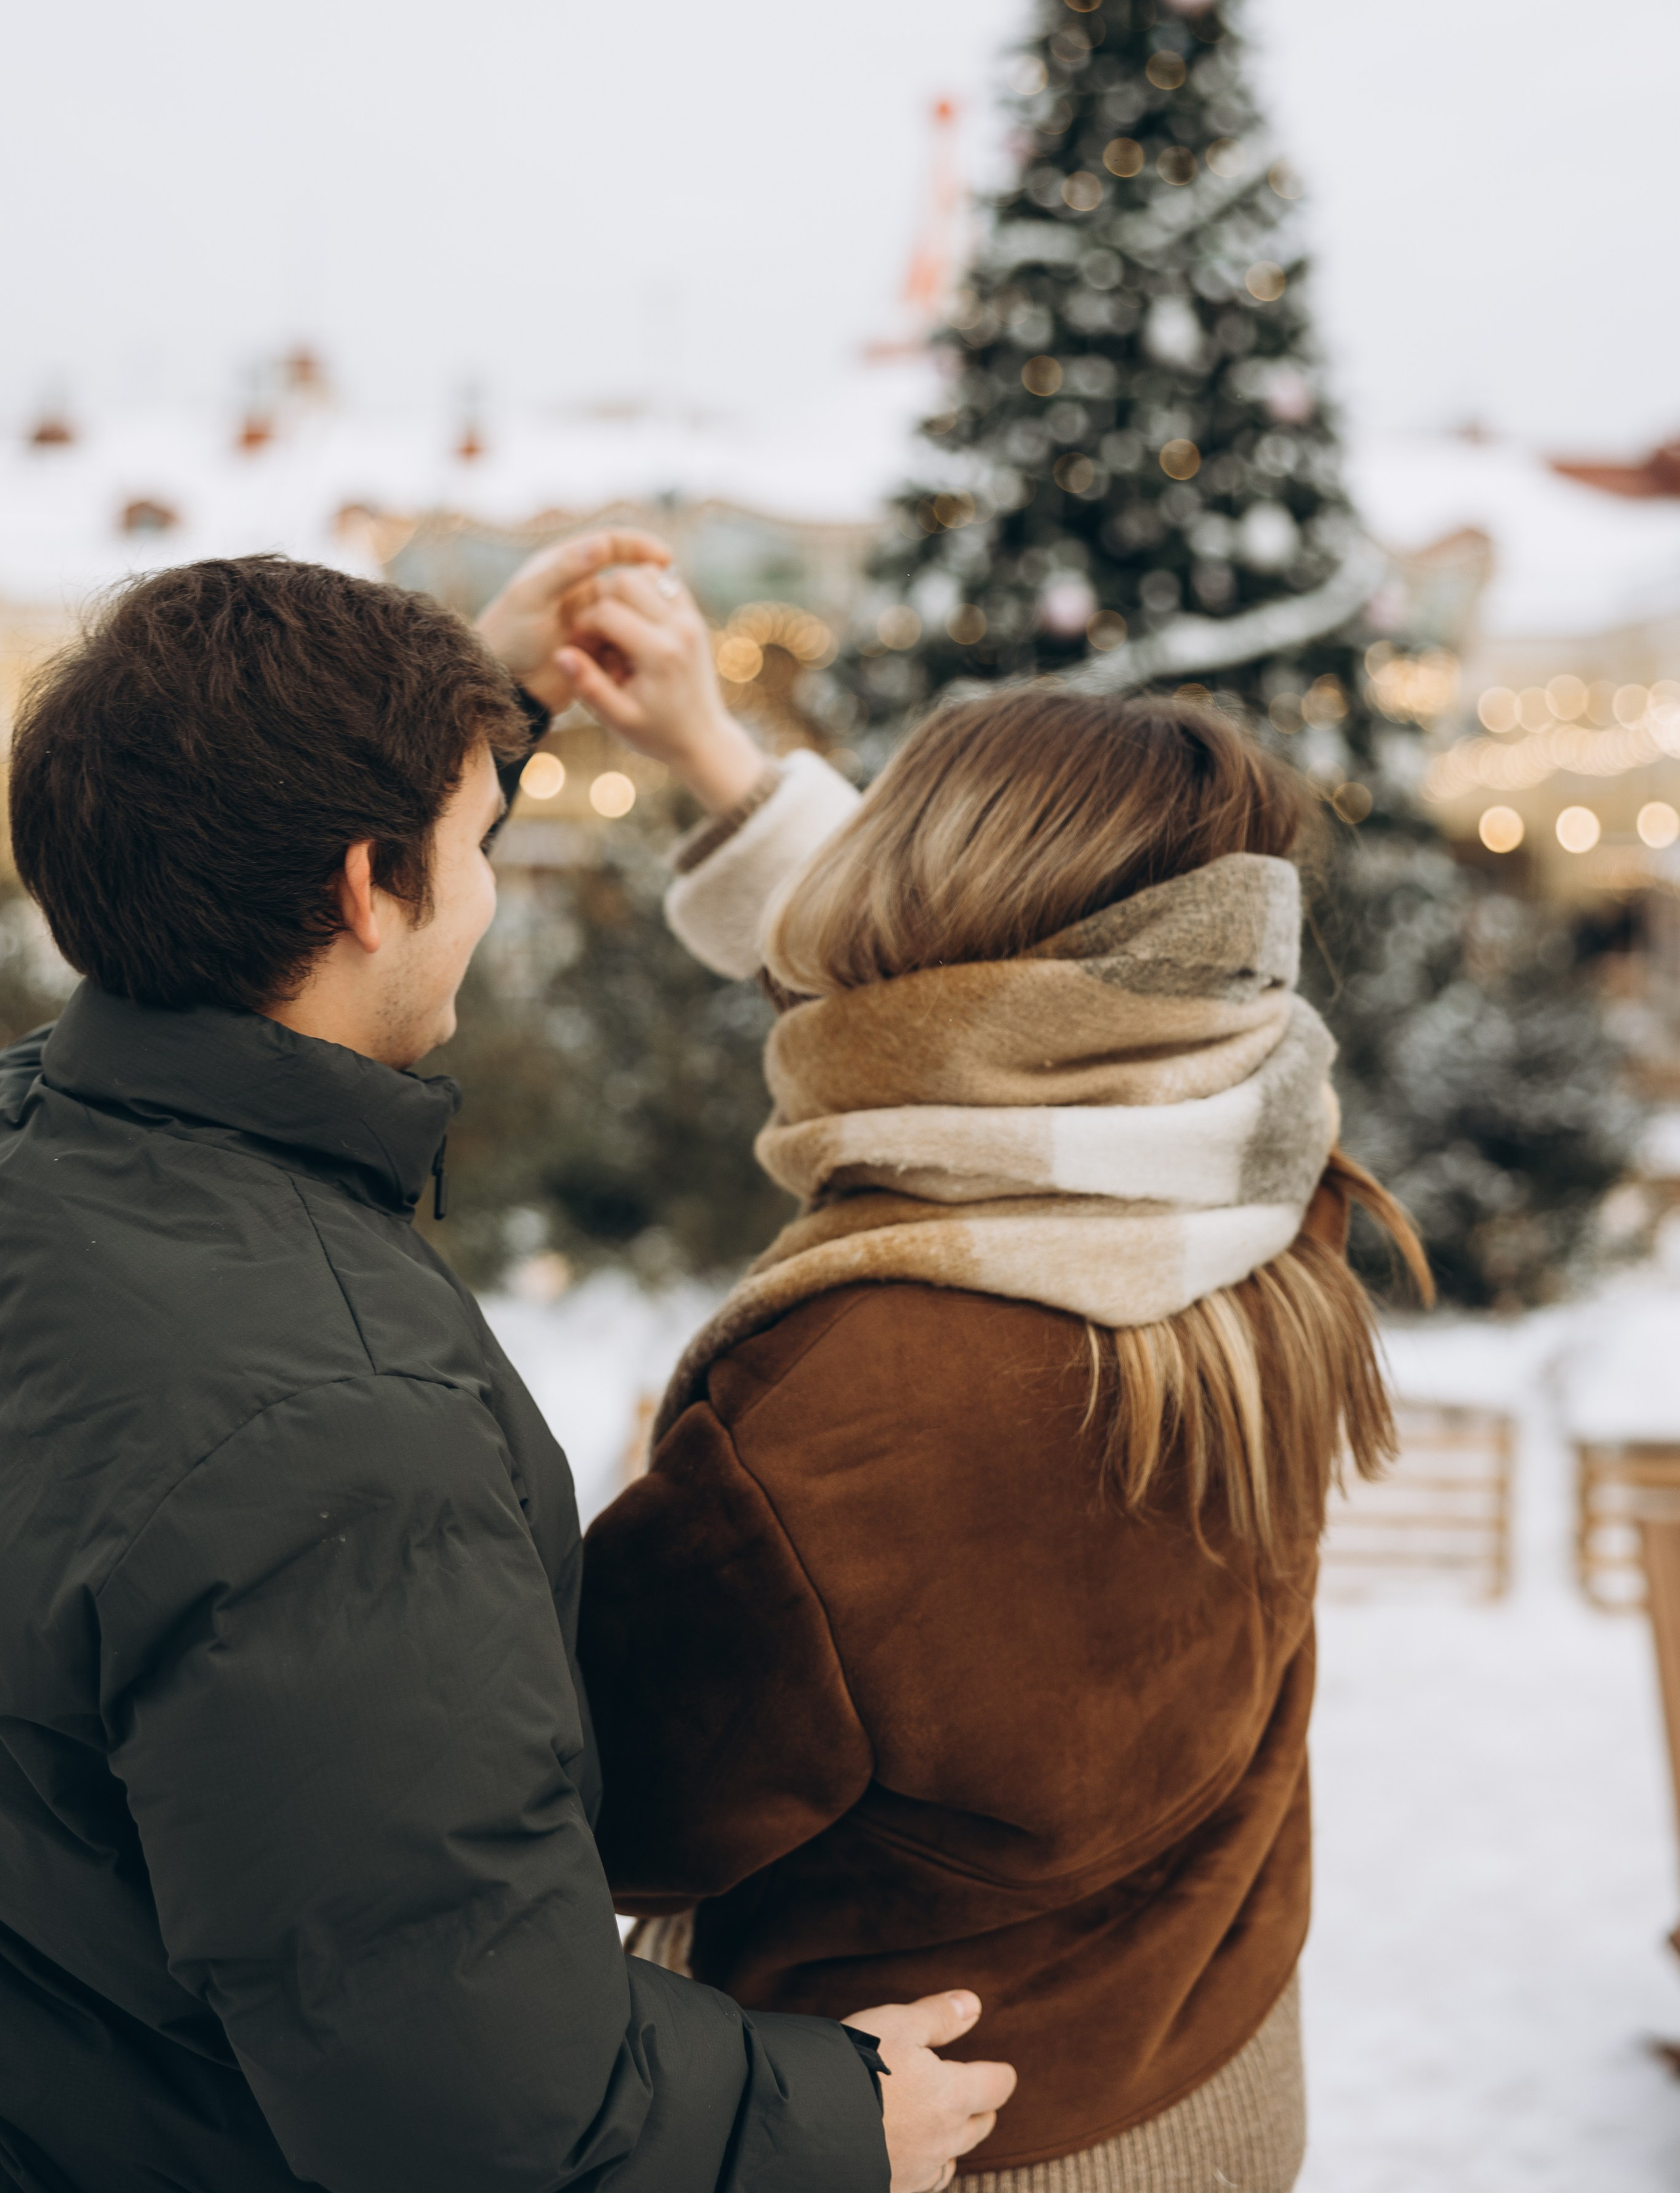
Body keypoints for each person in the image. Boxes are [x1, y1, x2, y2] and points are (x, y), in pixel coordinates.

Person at [0, 547, 1015, 2193]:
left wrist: (490, 696)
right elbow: (475, 2101)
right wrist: (825, 2118)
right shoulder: (330, 1437)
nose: (486, 887)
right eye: (480, 845)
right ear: (358, 888)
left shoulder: (49, 1145)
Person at [541, 560, 1431, 2192]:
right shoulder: (1266, 1188)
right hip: (1208, 2073)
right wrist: (710, 751)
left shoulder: (847, 1411)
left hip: (924, 2132)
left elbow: (601, 1804)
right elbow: (995, 1033)